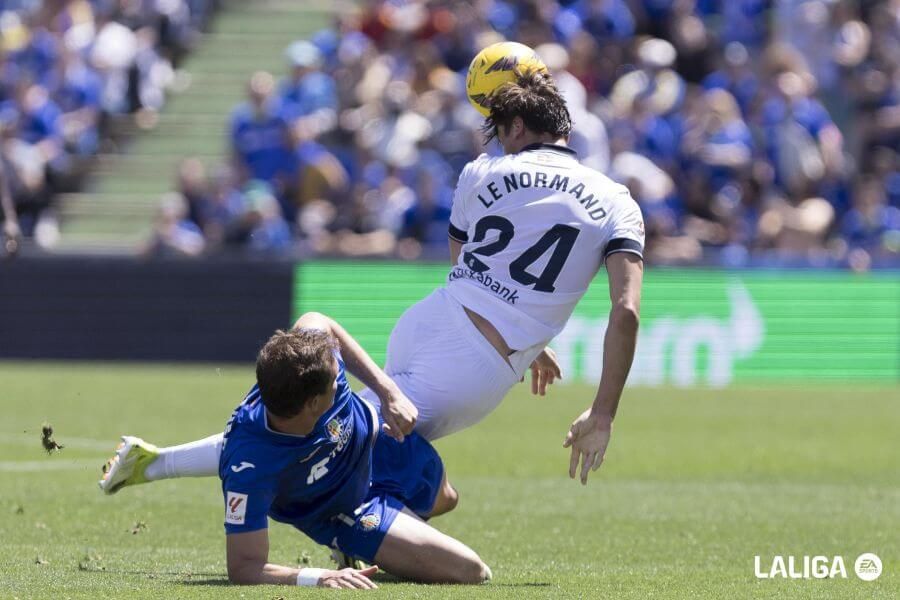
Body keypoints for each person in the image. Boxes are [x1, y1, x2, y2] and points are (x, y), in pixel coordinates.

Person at [101, 68, 644, 512]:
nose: (501, 142)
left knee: (343, 429)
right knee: (323, 435)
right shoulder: (616, 200)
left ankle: (167, 463)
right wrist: (601, 412)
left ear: (519, 126)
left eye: (502, 131)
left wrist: (522, 328)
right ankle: (161, 464)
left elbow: (466, 262)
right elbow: (624, 312)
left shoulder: (480, 172)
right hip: (472, 367)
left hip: (431, 320)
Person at [102, 312, 490, 588]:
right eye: (334, 383)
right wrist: (317, 577)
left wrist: (387, 391)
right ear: (311, 405)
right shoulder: (249, 466)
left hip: (380, 445)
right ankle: (357, 541)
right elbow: (244, 566)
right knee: (470, 571)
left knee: (447, 499)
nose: (339, 379)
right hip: (345, 511)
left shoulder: (309, 364)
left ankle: (388, 535)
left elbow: (319, 320)